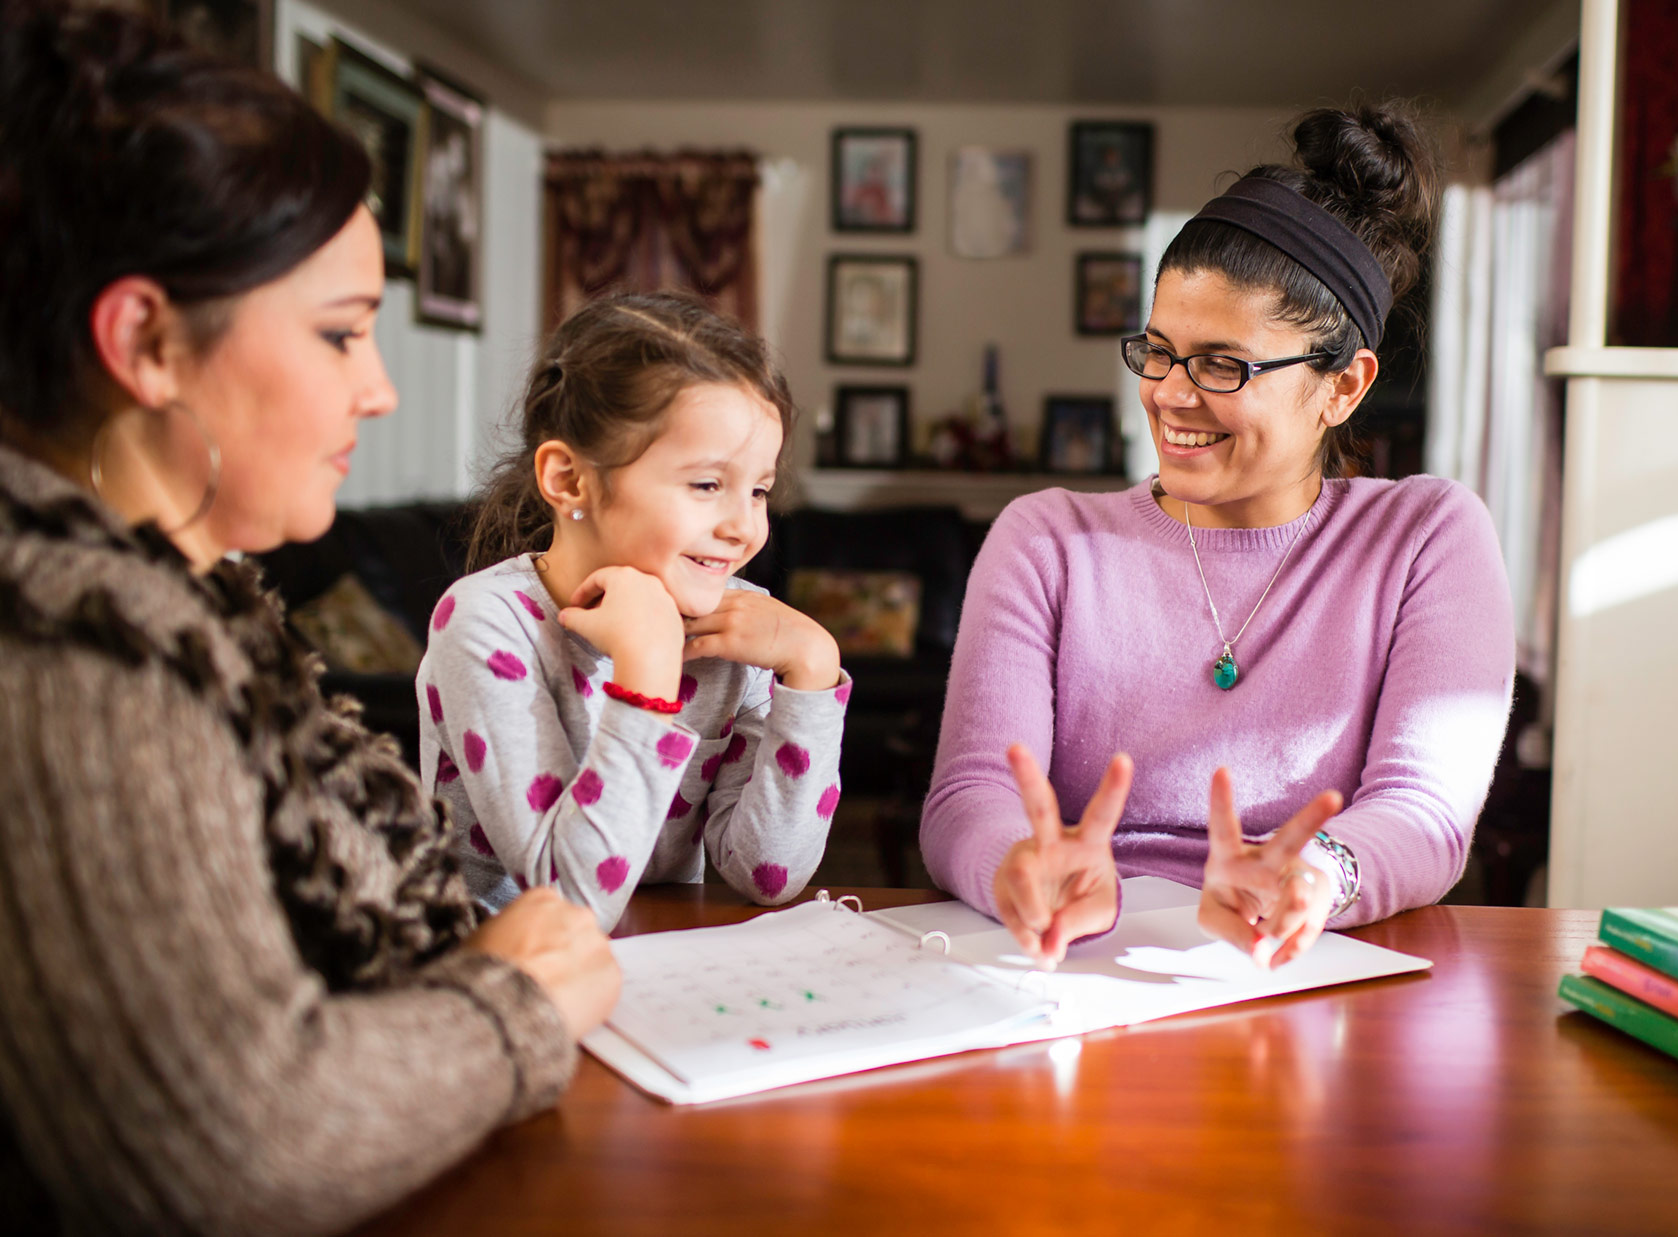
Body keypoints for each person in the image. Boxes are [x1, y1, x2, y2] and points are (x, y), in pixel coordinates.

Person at [0, 0, 617, 1234]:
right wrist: (510, 1010)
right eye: (340, 332)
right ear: (146, 342)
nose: (377, 389)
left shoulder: (198, 610)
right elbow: (221, 1144)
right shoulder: (79, 656)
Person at [921, 105, 1515, 970]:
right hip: (1077, 964)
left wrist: (1318, 873)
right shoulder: (1047, 539)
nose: (1169, 393)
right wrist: (1017, 865)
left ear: (1344, 387)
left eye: (1222, 364)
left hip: (1311, 967)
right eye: (1158, 351)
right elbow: (969, 795)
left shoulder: (1426, 537)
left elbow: (1425, 811)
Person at [431, 292, 849, 930]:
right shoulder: (486, 625)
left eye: (759, 490)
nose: (744, 527)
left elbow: (767, 874)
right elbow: (570, 905)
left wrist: (813, 673)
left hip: (661, 964)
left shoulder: (739, 631)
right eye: (707, 484)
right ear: (570, 480)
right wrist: (647, 678)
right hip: (498, 969)